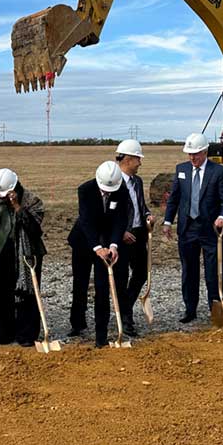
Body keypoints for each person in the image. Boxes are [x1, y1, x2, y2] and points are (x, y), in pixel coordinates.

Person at [162, 132, 223, 323]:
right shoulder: (181, 170)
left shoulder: (218, 172)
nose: (192, 158)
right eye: (189, 154)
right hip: (187, 229)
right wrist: (168, 221)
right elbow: (174, 199)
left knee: (213, 272)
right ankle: (190, 310)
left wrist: (222, 217)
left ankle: (216, 309)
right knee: (189, 271)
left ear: (205, 152)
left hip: (211, 230)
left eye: (196, 154)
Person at [0, 168, 46, 347]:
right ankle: (4, 333)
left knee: (28, 294)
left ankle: (27, 334)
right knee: (2, 294)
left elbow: (35, 230)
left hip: (27, 254)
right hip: (2, 253)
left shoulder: (32, 201)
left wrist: (18, 207)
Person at [68, 161, 130, 347]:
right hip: (83, 241)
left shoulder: (121, 190)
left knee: (102, 288)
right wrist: (97, 248)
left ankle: (100, 336)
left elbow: (120, 220)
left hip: (106, 241)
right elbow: (86, 221)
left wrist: (113, 245)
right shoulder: (85, 190)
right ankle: (77, 323)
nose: (108, 193)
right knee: (80, 283)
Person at [115, 139, 152, 336]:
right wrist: (121, 232)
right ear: (128, 159)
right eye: (138, 159)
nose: (140, 163)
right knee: (121, 278)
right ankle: (125, 317)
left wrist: (147, 215)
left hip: (139, 235)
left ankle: (125, 307)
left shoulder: (137, 181)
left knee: (141, 274)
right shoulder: (113, 180)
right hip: (122, 238)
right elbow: (109, 213)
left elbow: (141, 205)